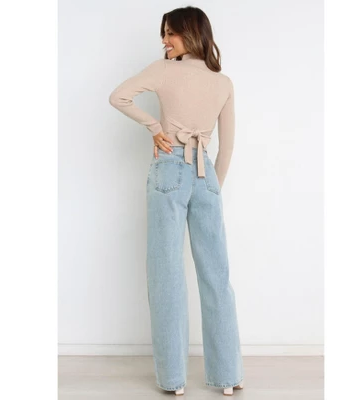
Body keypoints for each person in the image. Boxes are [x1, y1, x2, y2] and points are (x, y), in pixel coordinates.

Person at [109, 6, 244, 396]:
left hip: (169, 169)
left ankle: (173, 380)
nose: (165, 41)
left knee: (165, 276)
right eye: (164, 33)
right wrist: (211, 187)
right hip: (206, 175)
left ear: (192, 33)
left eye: (171, 33)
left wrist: (155, 127)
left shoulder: (164, 70)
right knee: (216, 276)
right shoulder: (223, 82)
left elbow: (118, 96)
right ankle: (228, 377)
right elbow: (226, 147)